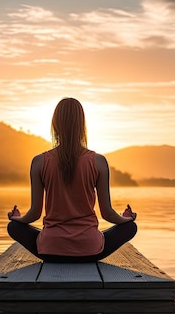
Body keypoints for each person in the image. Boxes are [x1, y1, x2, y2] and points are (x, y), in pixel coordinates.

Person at [7, 97, 137, 263]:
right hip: (90, 250)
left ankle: (53, 244)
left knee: (13, 227)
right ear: (82, 126)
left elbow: (34, 214)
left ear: (55, 125)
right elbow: (107, 213)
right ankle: (90, 243)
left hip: (50, 250)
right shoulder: (98, 161)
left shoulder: (39, 162)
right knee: (130, 228)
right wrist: (126, 219)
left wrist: (17, 219)